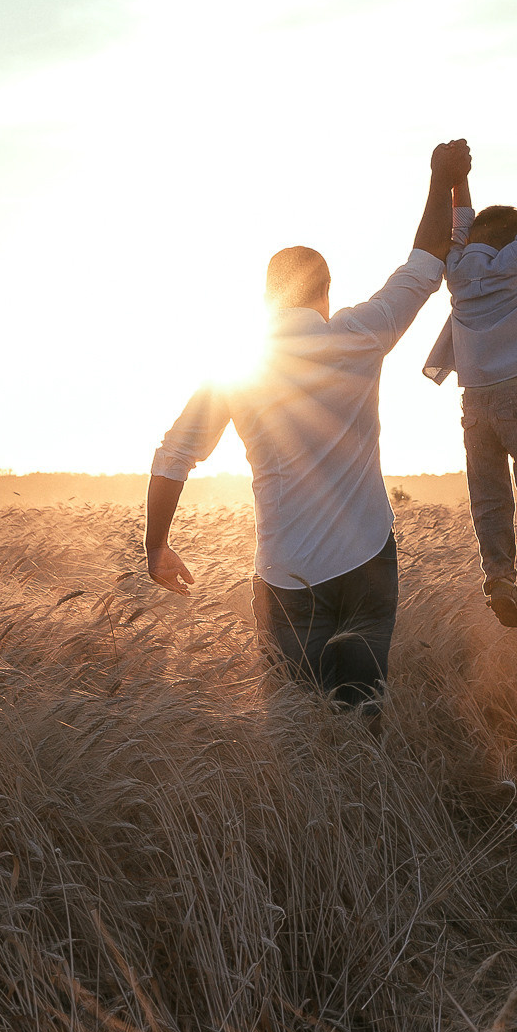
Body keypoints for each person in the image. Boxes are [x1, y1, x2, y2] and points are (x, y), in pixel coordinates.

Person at [144, 140, 471, 716]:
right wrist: (441, 176)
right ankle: (369, 773)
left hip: (285, 575)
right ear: (326, 292)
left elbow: (174, 455)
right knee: (362, 712)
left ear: (267, 299)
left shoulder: (239, 369)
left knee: (297, 724)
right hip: (367, 556)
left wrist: (156, 545)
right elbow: (426, 261)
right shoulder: (359, 333)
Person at [421, 161, 517, 627]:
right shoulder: (516, 261)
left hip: (474, 402)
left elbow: (459, 222)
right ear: (512, 239)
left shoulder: (456, 270)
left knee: (488, 495)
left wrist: (459, 179)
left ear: (472, 237)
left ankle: (501, 581)